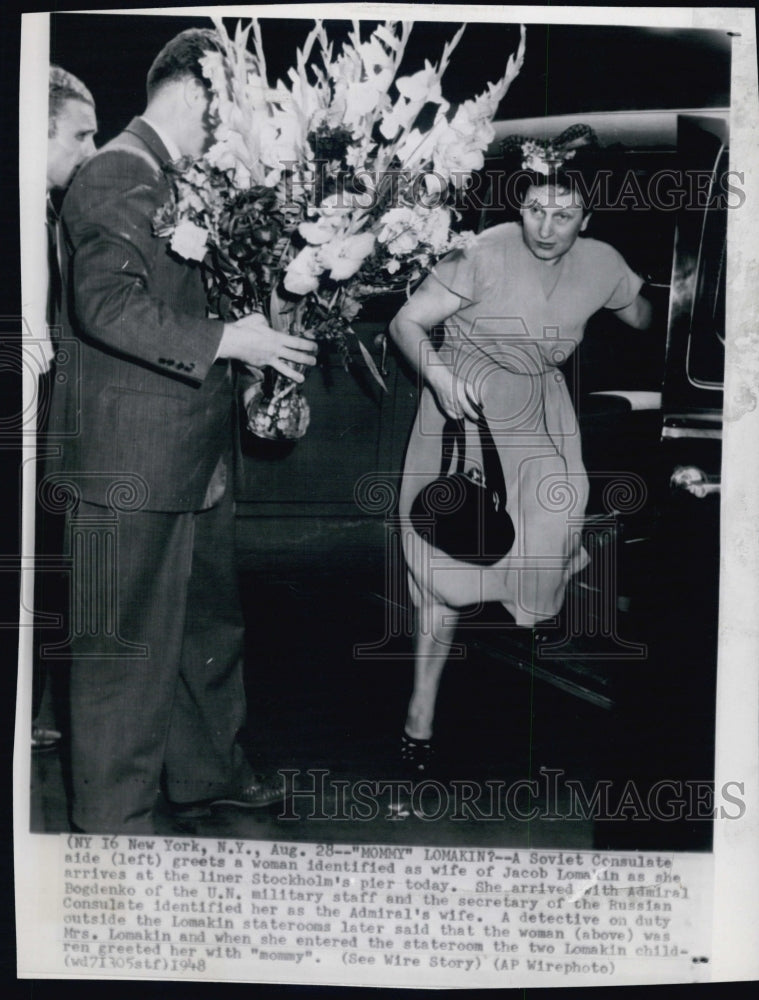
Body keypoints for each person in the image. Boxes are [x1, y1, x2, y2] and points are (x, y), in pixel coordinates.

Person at [47, 28, 317, 833]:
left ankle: (207, 775)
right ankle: (115, 825)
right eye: (236, 105)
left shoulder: (177, 176)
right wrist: (231, 340)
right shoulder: (118, 171)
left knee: (208, 630)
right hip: (128, 460)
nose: (241, 126)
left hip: (192, 455)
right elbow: (106, 305)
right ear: (200, 91)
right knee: (123, 651)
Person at [389, 147, 651, 774]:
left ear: (587, 218)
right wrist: (440, 377)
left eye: (564, 215)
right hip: (465, 414)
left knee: (549, 532)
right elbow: (405, 324)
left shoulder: (603, 262)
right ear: (520, 206)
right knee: (449, 558)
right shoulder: (480, 252)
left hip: (540, 415)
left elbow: (648, 315)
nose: (546, 228)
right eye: (535, 210)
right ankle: (420, 717)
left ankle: (530, 612)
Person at [32, 66, 98, 751]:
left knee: (47, 557)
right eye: (80, 136)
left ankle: (35, 703)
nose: (91, 151)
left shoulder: (55, 212)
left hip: (50, 408)